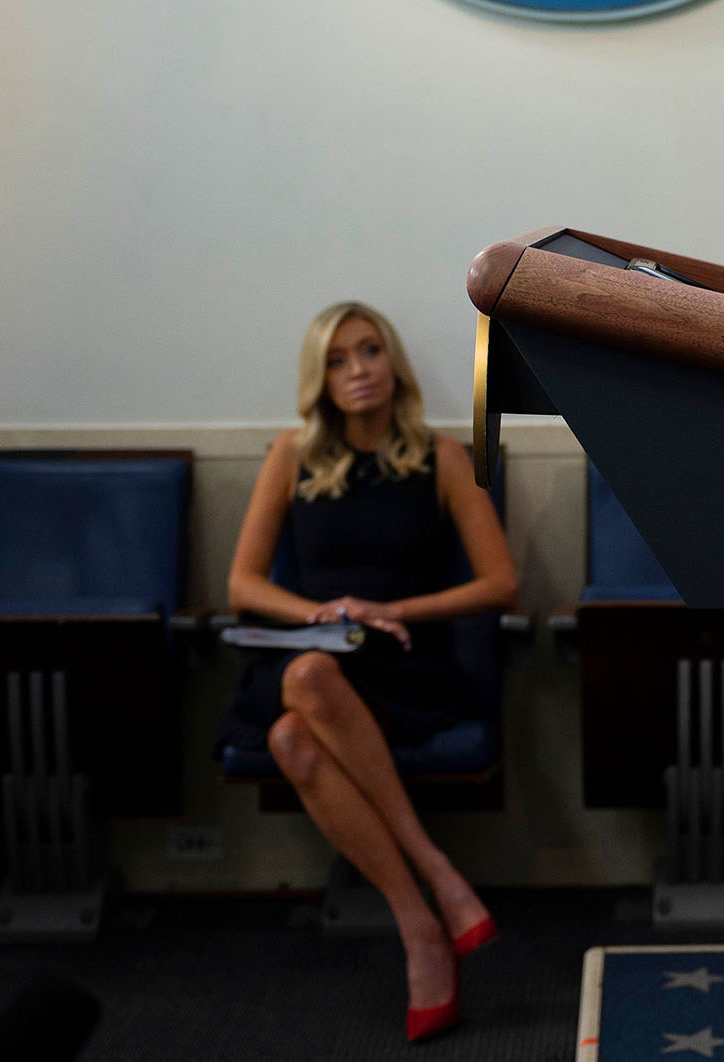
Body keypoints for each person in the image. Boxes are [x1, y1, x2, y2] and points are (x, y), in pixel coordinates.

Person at [219, 301, 517, 1043]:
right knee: (300, 709)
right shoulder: (292, 455)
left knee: (299, 720)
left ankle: (427, 909)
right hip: (311, 647)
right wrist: (320, 616)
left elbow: (499, 584)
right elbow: (243, 586)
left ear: (394, 363)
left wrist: (392, 610)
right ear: (320, 378)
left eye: (370, 351)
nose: (358, 371)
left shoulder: (444, 459)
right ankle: (429, 905)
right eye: (339, 359)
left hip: (401, 661)